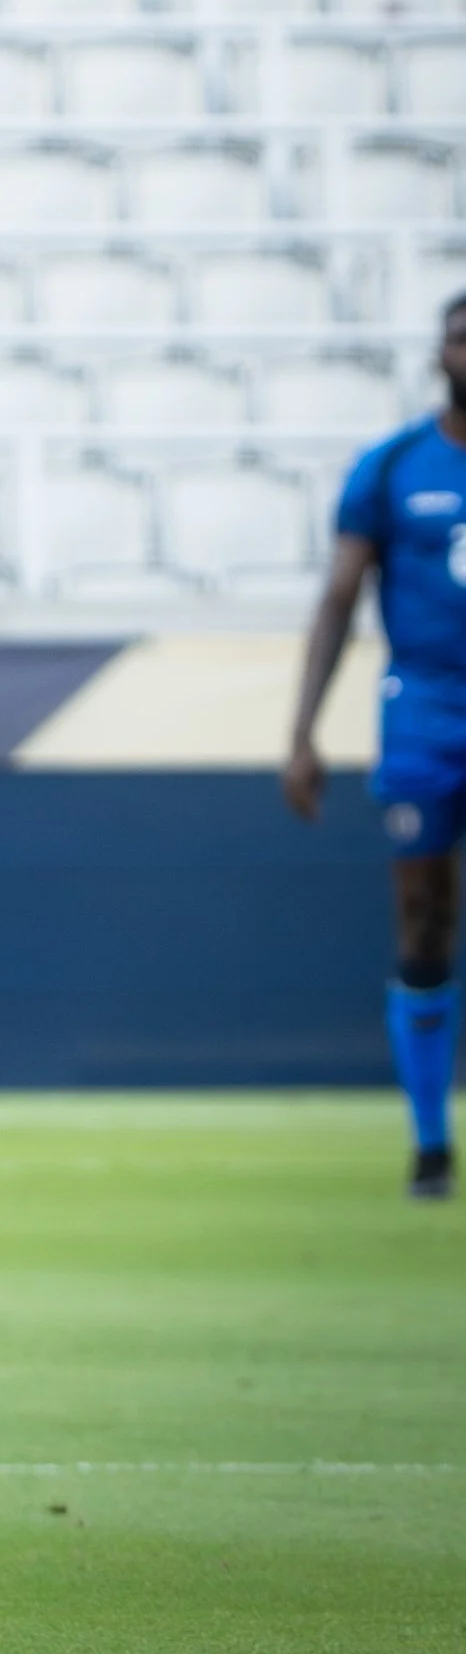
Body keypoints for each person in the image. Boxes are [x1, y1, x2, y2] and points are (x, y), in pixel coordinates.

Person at [284, 293, 466, 1200]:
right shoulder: (395, 466)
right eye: (459, 332)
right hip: (426, 713)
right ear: (441, 351)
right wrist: (304, 732)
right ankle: (431, 1142)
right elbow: (338, 601)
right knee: (425, 918)